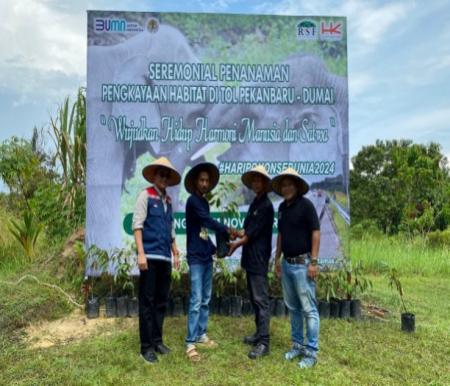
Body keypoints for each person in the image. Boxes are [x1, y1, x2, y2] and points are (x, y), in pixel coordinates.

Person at [184, 162, 237, 362]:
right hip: (196, 259)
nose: (205, 183)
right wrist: (228, 229)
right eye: (202, 180)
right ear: (196, 182)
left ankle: (200, 334)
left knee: (205, 299)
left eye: (207, 180)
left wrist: (215, 249)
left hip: (206, 257)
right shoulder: (193, 202)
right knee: (196, 300)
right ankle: (190, 342)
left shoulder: (204, 203)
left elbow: (203, 232)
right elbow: (208, 223)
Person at [132, 157, 181, 364]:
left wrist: (175, 250)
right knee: (147, 302)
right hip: (149, 257)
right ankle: (146, 347)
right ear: (154, 176)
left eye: (166, 176)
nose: (163, 178)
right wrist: (141, 254)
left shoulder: (168, 201)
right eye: (160, 174)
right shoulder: (145, 195)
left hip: (165, 258)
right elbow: (137, 226)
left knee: (161, 301)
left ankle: (157, 341)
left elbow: (170, 230)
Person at [272, 167, 321, 369]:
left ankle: (311, 352)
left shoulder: (306, 206)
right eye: (283, 185)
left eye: (290, 184)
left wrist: (314, 262)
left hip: (303, 264)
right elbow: (281, 235)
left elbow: (316, 233)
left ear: (297, 187)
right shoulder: (282, 208)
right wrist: (276, 259)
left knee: (309, 309)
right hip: (287, 264)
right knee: (293, 308)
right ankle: (297, 345)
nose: (286, 188)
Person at [228, 165, 274, 359]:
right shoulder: (255, 203)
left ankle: (264, 342)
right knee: (255, 300)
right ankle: (258, 333)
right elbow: (247, 231)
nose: (256, 183)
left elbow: (250, 236)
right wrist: (234, 232)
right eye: (254, 180)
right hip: (251, 258)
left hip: (258, 259)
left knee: (261, 301)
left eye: (259, 180)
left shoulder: (266, 206)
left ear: (264, 183)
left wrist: (235, 245)